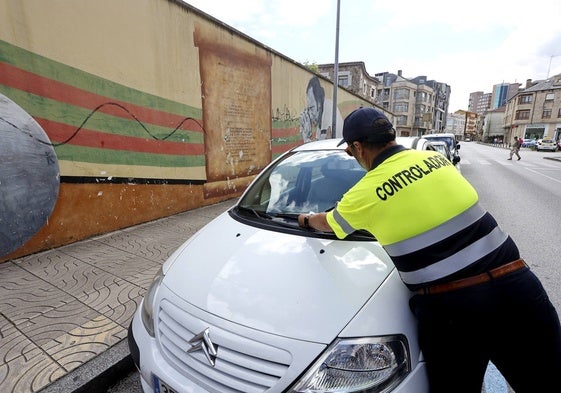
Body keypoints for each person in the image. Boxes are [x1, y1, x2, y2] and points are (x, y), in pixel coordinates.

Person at [297, 107, 561, 393]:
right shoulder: (436, 158)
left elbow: (331, 224)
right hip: (518, 286)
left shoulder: (364, 193)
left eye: (350, 152)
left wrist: (306, 218)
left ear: (358, 147)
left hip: (454, 311)